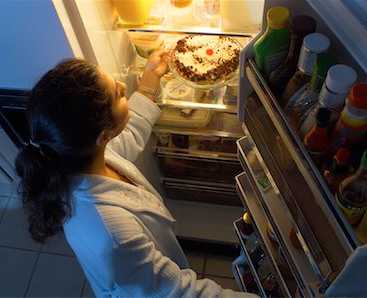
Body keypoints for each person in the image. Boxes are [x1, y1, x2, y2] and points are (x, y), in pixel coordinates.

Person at [15, 49, 258, 297]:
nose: (123, 85)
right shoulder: (111, 234)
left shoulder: (76, 156)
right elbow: (178, 293)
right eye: (119, 94)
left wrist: (150, 81)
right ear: (103, 136)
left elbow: (128, 135)